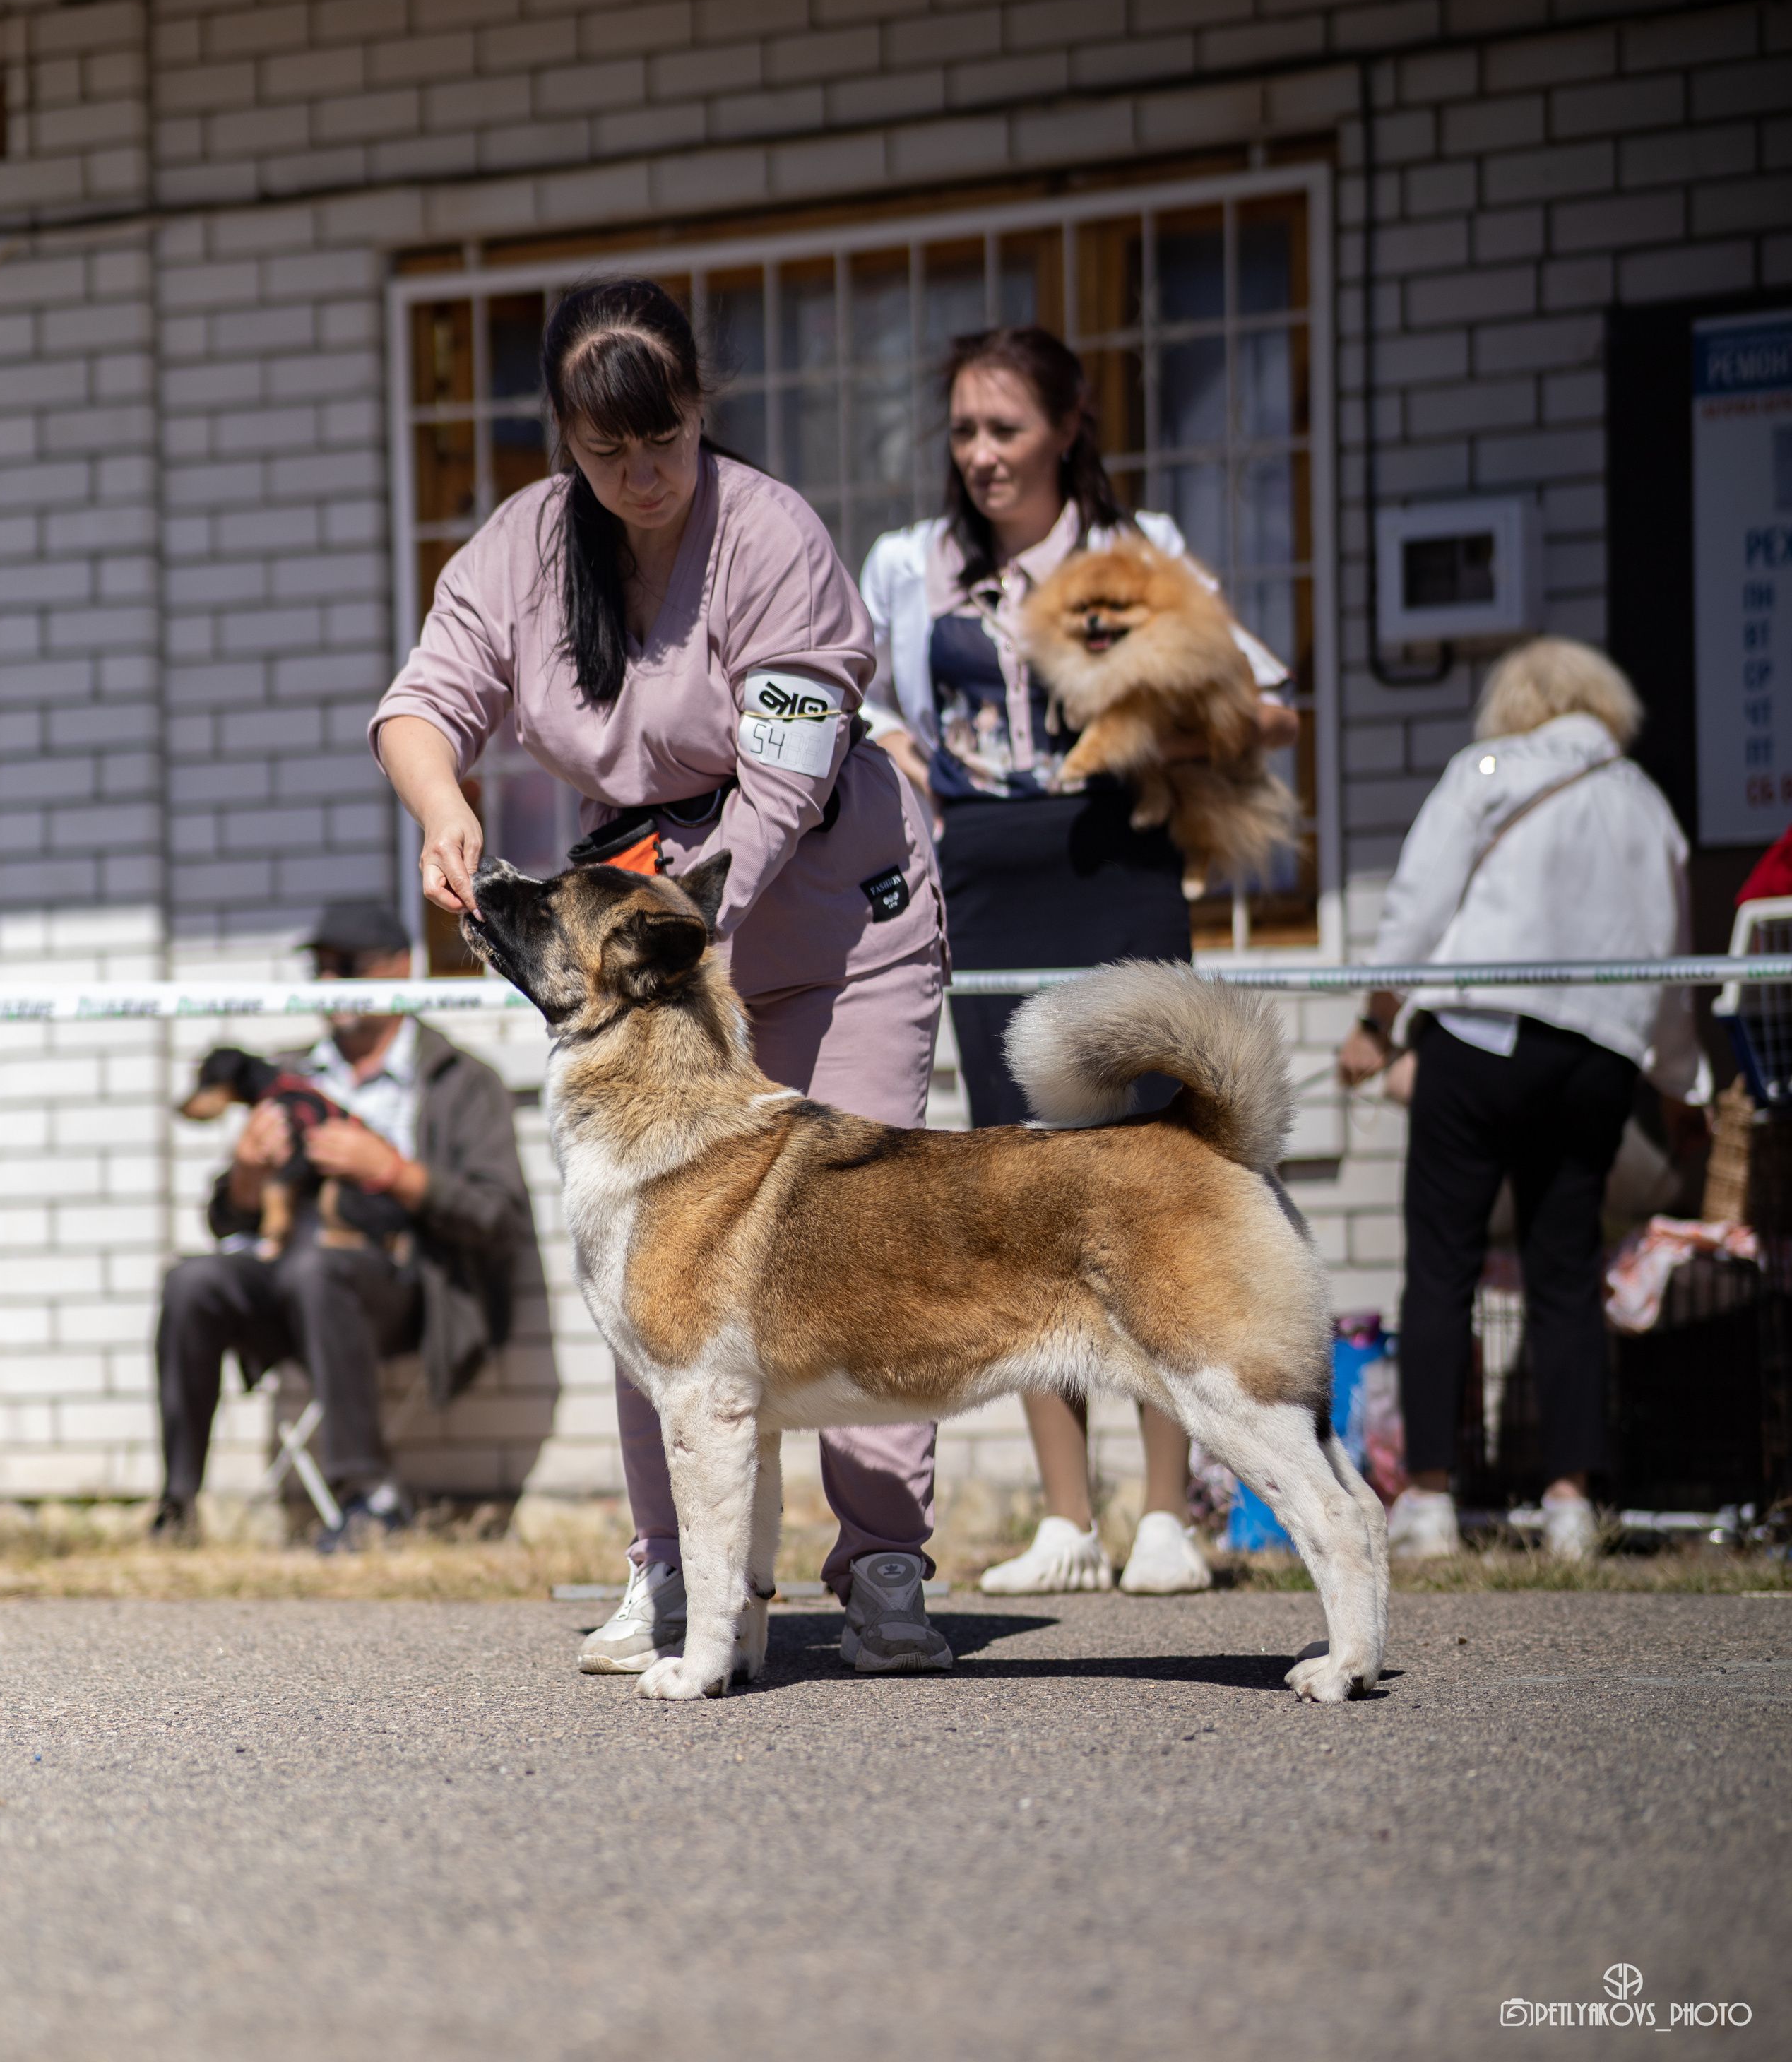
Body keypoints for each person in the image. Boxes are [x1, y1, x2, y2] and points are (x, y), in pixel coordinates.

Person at [373, 278, 955, 1676]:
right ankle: (675, 1574)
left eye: (667, 441)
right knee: (653, 1256)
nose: (641, 477)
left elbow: (780, 783)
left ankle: (880, 1562)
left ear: (705, 410)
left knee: (855, 1244)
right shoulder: (520, 546)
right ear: (565, 438)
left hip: (822, 915)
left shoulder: (775, 537)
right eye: (604, 450)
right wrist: (442, 809)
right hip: (653, 940)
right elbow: (420, 703)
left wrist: (679, 931)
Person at [859, 326, 1300, 1597]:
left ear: (1065, 428)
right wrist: (890, 748)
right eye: (964, 432)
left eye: (1006, 429)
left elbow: (1270, 702)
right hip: (983, 878)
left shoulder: (1135, 551)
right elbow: (860, 692)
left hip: (1117, 863)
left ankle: (1165, 1511)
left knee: (1153, 1179)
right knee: (1023, 1185)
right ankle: (1067, 1517)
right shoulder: (910, 565)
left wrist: (1175, 712)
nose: (983, 456)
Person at [1336, 639, 1709, 1561]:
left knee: (1443, 1264)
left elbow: (1417, 906)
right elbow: (1672, 955)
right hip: (1596, 1054)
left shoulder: (1488, 769)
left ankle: (1428, 1498)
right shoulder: (1647, 804)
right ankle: (1570, 1501)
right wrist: (1682, 1080)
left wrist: (1378, 1021)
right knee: (1565, 1271)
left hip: (1481, 1033)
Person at [153, 899, 544, 1551]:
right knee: (191, 1282)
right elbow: (227, 1217)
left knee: (319, 1269)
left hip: (407, 1287)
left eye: (348, 967)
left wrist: (395, 1172)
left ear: (399, 969)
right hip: (294, 1277)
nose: (330, 985)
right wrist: (247, 1174)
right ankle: (177, 1507)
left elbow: (498, 1220)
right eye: (321, 970)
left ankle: (370, 1498)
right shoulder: (291, 1075)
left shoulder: (462, 1081)